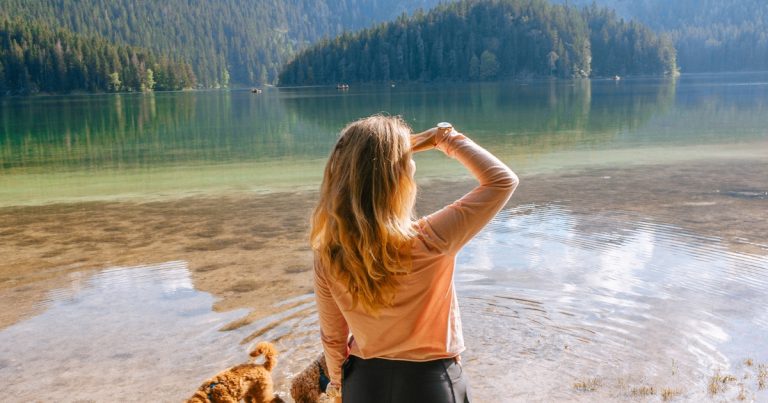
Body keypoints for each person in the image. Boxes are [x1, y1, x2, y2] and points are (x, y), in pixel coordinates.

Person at [310, 115, 518, 402]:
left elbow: (333, 339)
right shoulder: (432, 238)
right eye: (407, 160)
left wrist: (339, 385)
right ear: (398, 177)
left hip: (365, 384)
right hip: (431, 384)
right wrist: (444, 138)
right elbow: (501, 181)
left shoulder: (329, 255)